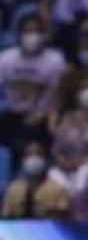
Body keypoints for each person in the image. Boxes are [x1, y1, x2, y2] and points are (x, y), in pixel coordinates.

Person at [0, 14, 66, 164]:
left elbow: (58, 95)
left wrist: (42, 115)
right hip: (12, 113)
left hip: (42, 116)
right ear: (19, 34)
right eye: (28, 32)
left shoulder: (55, 60)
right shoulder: (5, 58)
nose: (33, 36)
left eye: (37, 31)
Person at [2, 142, 71, 219]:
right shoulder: (14, 189)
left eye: (38, 154)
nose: (33, 158)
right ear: (23, 160)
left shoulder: (57, 188)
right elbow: (6, 217)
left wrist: (48, 213)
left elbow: (64, 216)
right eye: (29, 154)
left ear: (45, 159)